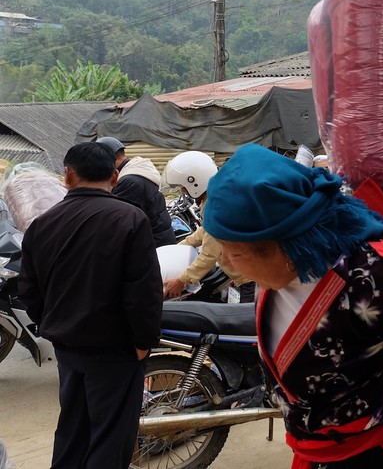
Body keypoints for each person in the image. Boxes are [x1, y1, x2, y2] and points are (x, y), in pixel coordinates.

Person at [203, 143, 383, 468]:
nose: (225, 262)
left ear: (284, 246)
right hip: (319, 447)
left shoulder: (373, 278)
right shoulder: (277, 278)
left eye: (233, 251)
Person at [18, 142, 163, 469]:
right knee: (110, 438)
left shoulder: (42, 225)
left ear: (67, 176)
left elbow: (29, 289)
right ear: (114, 176)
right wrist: (143, 343)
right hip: (116, 350)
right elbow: (143, 291)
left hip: (68, 348)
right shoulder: (130, 219)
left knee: (72, 431)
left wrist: (52, 323)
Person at [159, 151, 256, 302]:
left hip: (252, 277)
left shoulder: (216, 205)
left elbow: (209, 254)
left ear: (195, 182)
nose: (183, 192)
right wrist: (179, 247)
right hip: (246, 272)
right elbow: (206, 230)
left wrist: (181, 280)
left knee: (249, 322)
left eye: (184, 187)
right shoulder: (217, 196)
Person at [96, 136, 176, 247]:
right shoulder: (136, 170)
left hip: (154, 245)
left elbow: (116, 221)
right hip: (157, 239)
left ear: (108, 159)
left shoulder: (130, 182)